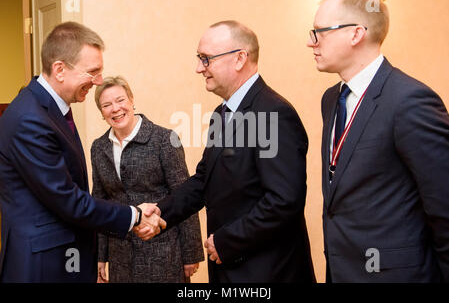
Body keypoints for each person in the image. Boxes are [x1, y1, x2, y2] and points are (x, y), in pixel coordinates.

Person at [148, 20, 316, 283]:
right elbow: (204, 179)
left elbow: (284, 201)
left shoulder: (274, 112)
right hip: (230, 267)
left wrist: (227, 241)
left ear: (239, 59)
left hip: (267, 270)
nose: (198, 68)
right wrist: (160, 213)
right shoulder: (221, 113)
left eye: (206, 59)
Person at [0, 22, 164, 283]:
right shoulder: (29, 119)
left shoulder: (50, 108)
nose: (98, 81)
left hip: (62, 257)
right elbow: (69, 200)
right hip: (44, 265)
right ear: (60, 69)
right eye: (92, 72)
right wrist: (134, 215)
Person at [307, 0, 449, 282]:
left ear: (356, 34)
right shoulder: (331, 99)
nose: (311, 42)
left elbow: (444, 206)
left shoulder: (410, 101)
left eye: (319, 32)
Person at [91, 76, 204, 283]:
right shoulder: (99, 148)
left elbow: (184, 195)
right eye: (106, 105)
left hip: (163, 253)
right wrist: (99, 256)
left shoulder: (163, 139)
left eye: (120, 100)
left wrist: (191, 254)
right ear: (101, 112)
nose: (115, 109)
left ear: (132, 100)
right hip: (120, 257)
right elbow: (99, 202)